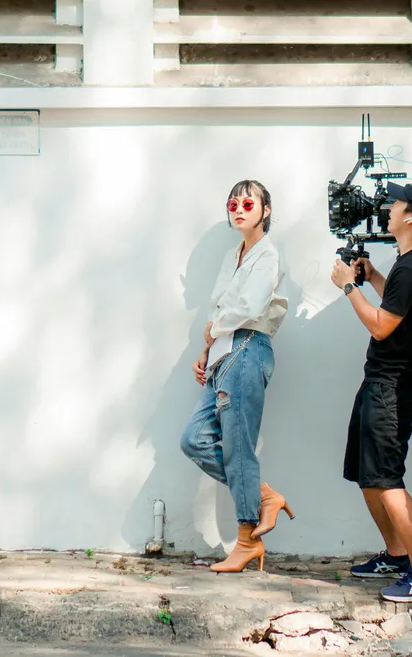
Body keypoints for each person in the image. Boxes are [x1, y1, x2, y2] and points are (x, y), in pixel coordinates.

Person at [333, 181, 412, 603]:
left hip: (393, 386)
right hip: (381, 380)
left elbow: (382, 326)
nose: (387, 207)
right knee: (368, 475)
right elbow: (398, 307)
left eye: (396, 203)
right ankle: (397, 556)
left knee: (386, 478)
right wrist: (374, 277)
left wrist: (349, 287)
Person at [180, 180, 290, 573]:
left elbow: (249, 307)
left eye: (248, 203)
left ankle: (247, 543)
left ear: (265, 210)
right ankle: (264, 496)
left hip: (247, 348)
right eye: (233, 204)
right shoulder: (234, 254)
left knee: (238, 448)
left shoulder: (268, 255)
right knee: (194, 439)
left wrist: (214, 329)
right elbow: (220, 308)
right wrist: (207, 351)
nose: (239, 210)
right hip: (225, 353)